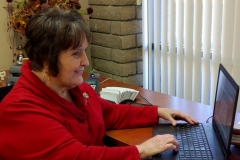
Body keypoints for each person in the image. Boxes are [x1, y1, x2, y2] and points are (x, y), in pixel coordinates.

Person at [0, 7, 198, 160]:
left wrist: (157, 112)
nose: (85, 62)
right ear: (45, 59)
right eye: (76, 53)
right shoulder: (20, 110)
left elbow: (108, 112)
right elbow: (78, 156)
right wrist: (141, 150)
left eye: (84, 51)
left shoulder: (73, 87)